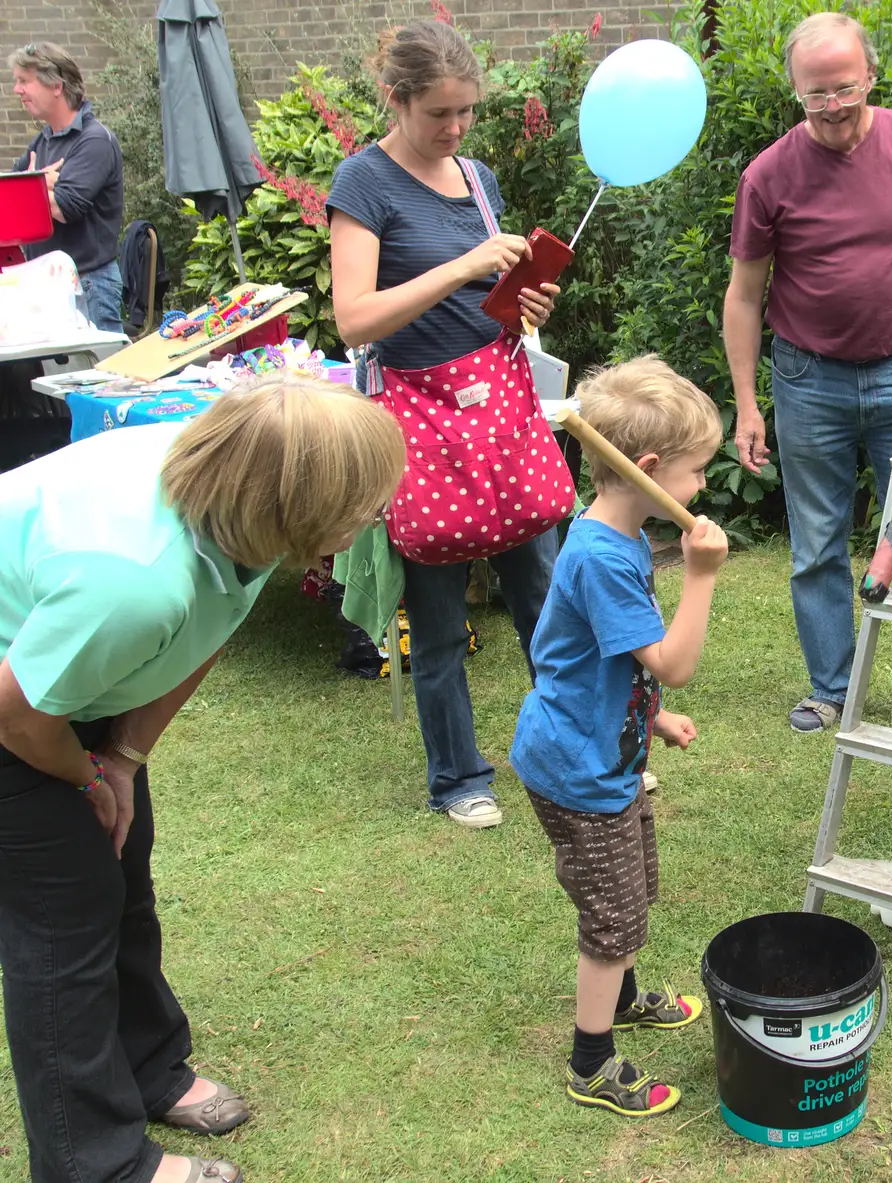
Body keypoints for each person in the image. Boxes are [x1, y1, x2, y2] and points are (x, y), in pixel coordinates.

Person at [0, 376, 405, 1183]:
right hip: (17, 696)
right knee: (63, 923)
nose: (378, 515)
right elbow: (17, 717)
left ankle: (151, 1069)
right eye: (364, 502)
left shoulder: (243, 501)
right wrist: (84, 777)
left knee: (122, 874)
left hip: (60, 669)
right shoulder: (136, 579)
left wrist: (123, 757)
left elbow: (207, 630)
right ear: (297, 505)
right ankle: (96, 1164)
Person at [723, 11, 892, 745]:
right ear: (795, 92)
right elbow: (745, 295)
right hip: (810, 378)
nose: (833, 106)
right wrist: (748, 404)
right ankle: (831, 688)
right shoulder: (769, 174)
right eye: (816, 95)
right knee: (815, 542)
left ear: (870, 75)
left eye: (844, 88)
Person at [328, 20, 564, 829]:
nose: (456, 128)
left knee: (544, 597)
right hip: (419, 421)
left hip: (496, 405)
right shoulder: (362, 184)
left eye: (467, 111)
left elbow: (486, 302)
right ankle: (459, 777)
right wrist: (462, 265)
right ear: (395, 99)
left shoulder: (477, 174)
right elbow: (355, 319)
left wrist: (519, 304)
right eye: (439, 113)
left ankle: (573, 754)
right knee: (435, 619)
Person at [510, 356, 727, 1118]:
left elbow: (616, 660)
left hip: (609, 753)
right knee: (612, 917)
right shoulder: (605, 555)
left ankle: (626, 998)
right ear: (650, 468)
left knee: (630, 891)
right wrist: (700, 574)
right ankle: (591, 1061)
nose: (703, 488)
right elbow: (673, 659)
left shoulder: (618, 534)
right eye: (697, 471)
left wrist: (653, 715)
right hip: (579, 769)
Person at [9, 41, 125, 332]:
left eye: (25, 81)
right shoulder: (44, 140)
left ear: (56, 86)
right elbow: (7, 198)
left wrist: (30, 185)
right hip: (47, 286)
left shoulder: (94, 140)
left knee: (99, 377)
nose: (17, 90)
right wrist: (38, 184)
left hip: (89, 287)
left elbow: (64, 208)